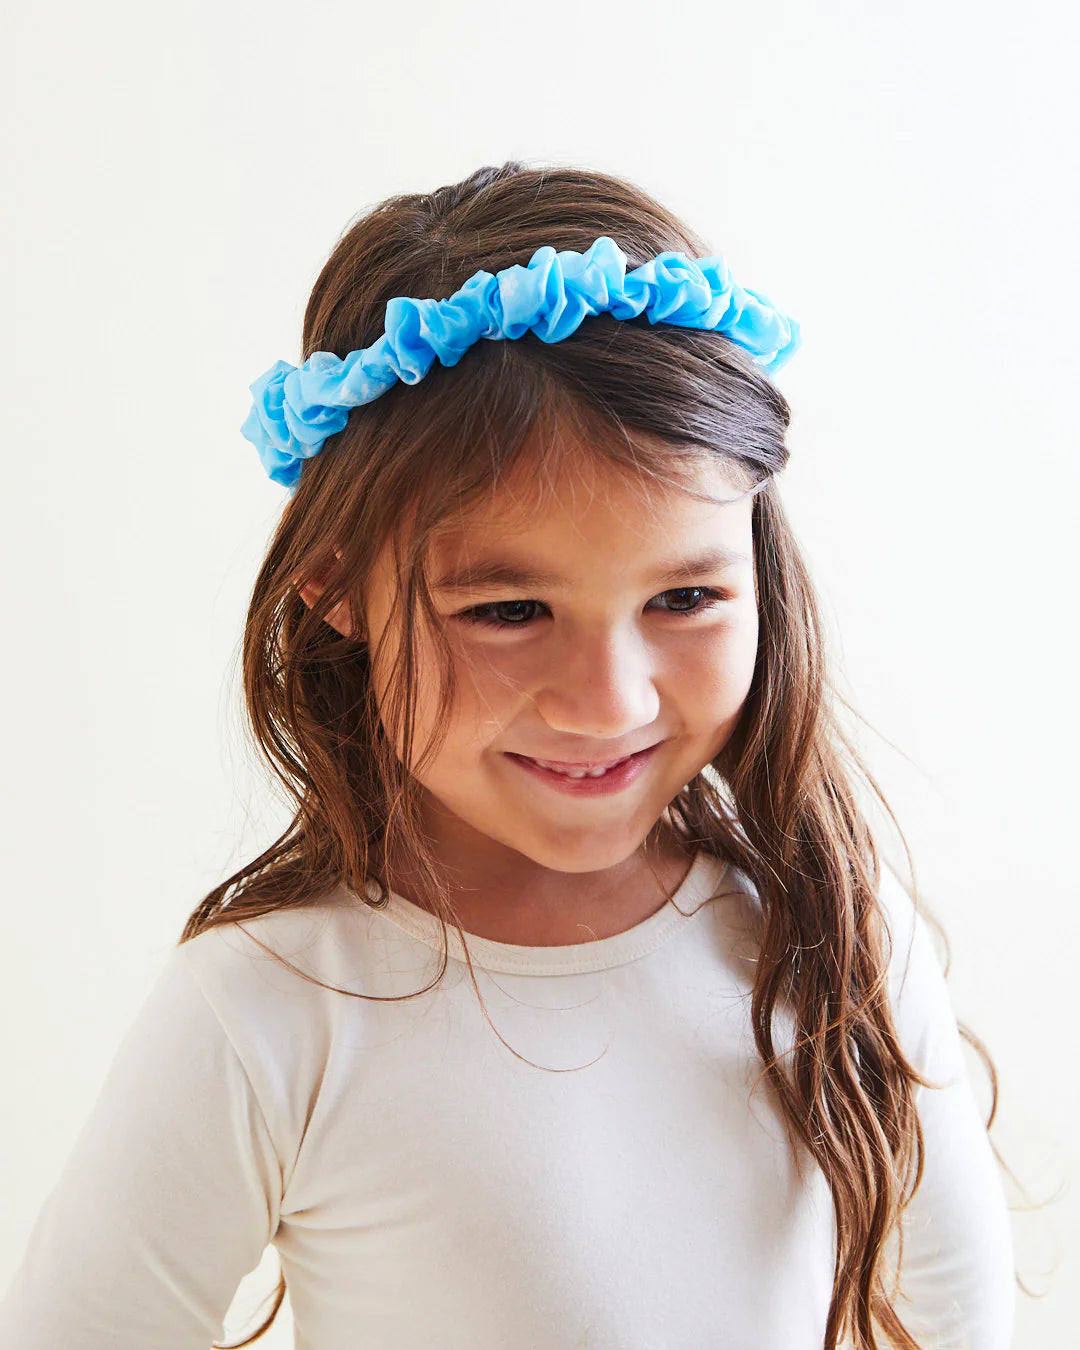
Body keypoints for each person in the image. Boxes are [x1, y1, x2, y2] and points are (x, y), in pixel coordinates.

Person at [0, 160, 1016, 1350]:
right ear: (335, 586)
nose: (607, 701)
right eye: (508, 611)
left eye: (685, 597)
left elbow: (962, 1321)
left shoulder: (834, 931)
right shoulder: (270, 1009)